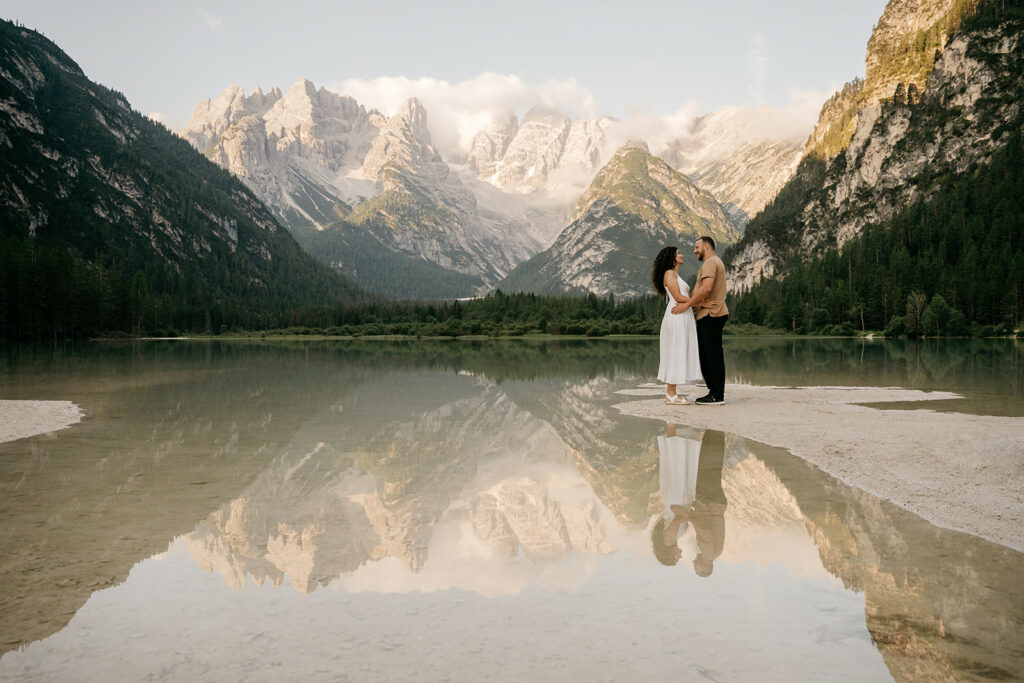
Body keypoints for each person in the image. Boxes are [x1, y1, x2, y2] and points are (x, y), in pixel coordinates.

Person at [651, 246, 711, 405]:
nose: (682, 255)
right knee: (675, 351)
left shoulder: (675, 274)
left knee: (678, 350)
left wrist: (693, 303)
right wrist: (701, 301)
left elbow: (683, 297)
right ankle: (671, 394)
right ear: (672, 258)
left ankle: (672, 393)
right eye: (678, 253)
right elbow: (677, 297)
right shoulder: (669, 273)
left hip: (683, 315)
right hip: (677, 315)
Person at [674, 236, 728, 405]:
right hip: (708, 314)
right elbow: (703, 292)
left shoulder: (711, 263)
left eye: (697, 247)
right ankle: (714, 392)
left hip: (712, 314)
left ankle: (717, 395)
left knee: (712, 356)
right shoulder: (711, 263)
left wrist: (688, 304)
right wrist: (695, 304)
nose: (694, 250)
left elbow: (707, 288)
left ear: (706, 246)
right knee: (707, 355)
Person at [650, 422, 701, 566]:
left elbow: (678, 518)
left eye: (676, 559)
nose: (680, 556)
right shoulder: (673, 540)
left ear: (669, 554)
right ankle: (674, 424)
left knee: (677, 466)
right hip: (678, 501)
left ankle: (671, 424)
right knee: (678, 466)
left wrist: (690, 518)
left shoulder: (668, 540)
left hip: (678, 499)